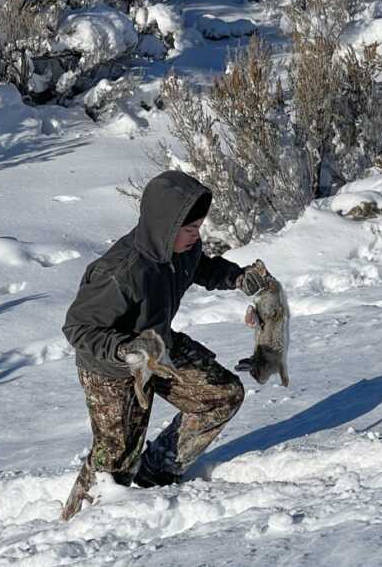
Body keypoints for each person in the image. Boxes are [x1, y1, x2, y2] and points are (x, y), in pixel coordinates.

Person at [60, 170, 266, 520]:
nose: (195, 236)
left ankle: (157, 469)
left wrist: (235, 276)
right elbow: (78, 327)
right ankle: (75, 527)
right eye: (189, 229)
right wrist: (126, 350)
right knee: (115, 462)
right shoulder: (121, 271)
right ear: (165, 225)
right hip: (111, 368)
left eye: (199, 227)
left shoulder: (183, 247)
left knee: (222, 394)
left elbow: (197, 266)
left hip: (158, 345)